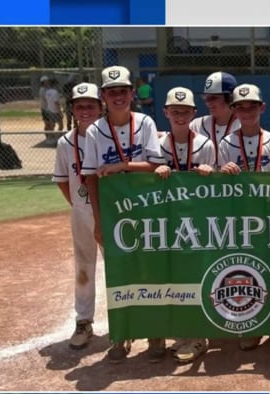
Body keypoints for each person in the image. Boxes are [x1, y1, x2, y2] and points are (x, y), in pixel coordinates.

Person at [81, 65, 163, 364]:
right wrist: (99, 221)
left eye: (123, 91)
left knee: (150, 269)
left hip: (147, 208)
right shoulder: (94, 130)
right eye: (112, 92)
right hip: (115, 213)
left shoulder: (145, 123)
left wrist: (122, 166)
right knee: (120, 273)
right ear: (103, 96)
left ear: (132, 93)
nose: (118, 96)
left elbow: (156, 164)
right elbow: (90, 177)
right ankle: (123, 333)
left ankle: (155, 332)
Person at [219, 83, 270, 351]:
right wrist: (222, 170)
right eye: (240, 107)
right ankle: (252, 325)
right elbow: (218, 185)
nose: (246, 111)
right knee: (248, 272)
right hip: (240, 217)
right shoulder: (226, 143)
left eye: (252, 106)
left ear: (262, 108)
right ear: (233, 110)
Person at [154, 86, 215, 363]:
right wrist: (155, 170)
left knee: (196, 275)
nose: (180, 116)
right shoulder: (157, 144)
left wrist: (208, 174)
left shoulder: (205, 144)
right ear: (166, 112)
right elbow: (146, 177)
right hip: (166, 220)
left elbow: (215, 188)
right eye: (174, 111)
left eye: (185, 111)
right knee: (173, 276)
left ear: (194, 113)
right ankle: (181, 335)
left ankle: (198, 336)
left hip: (198, 219)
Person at [51, 82, 104, 350]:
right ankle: (84, 320)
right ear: (72, 109)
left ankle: (122, 319)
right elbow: (62, 180)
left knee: (118, 265)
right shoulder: (65, 142)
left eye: (90, 106)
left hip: (112, 213)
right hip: (82, 212)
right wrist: (79, 206)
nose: (85, 110)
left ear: (100, 108)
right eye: (79, 106)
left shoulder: (109, 136)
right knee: (84, 266)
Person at [189, 71, 240, 168]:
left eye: (213, 98)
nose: (207, 102)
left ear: (230, 98)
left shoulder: (243, 125)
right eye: (206, 97)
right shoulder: (197, 125)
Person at [44, 78, 64, 144]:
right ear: (55, 85)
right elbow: (56, 103)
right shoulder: (55, 92)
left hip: (49, 110)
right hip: (55, 111)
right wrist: (60, 112)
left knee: (52, 126)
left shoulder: (47, 92)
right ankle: (58, 138)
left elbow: (47, 101)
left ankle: (50, 139)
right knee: (61, 125)